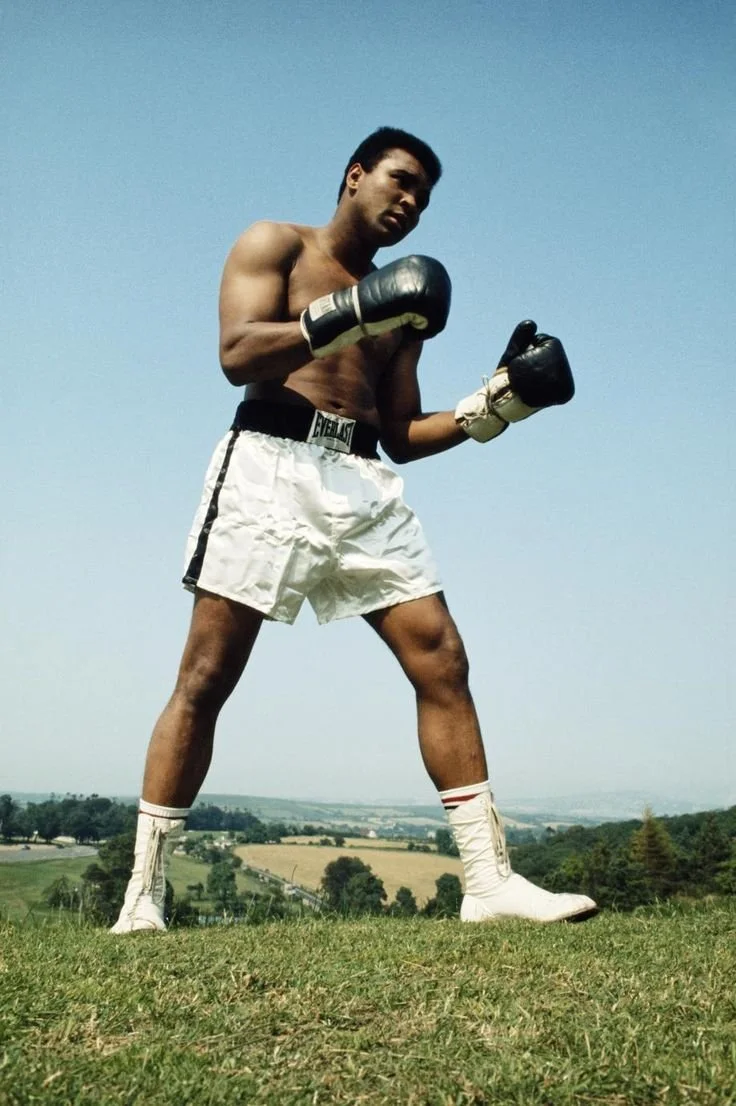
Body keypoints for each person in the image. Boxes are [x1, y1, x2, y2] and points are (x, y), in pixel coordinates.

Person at [111, 127, 597, 933]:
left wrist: (499, 403)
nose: (410, 202)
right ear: (355, 175)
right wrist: (351, 310)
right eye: (400, 181)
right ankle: (143, 896)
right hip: (270, 465)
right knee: (206, 675)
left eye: (424, 198)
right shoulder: (276, 244)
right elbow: (237, 354)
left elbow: (402, 432)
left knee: (443, 657)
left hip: (363, 479)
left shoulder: (403, 308)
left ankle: (488, 884)